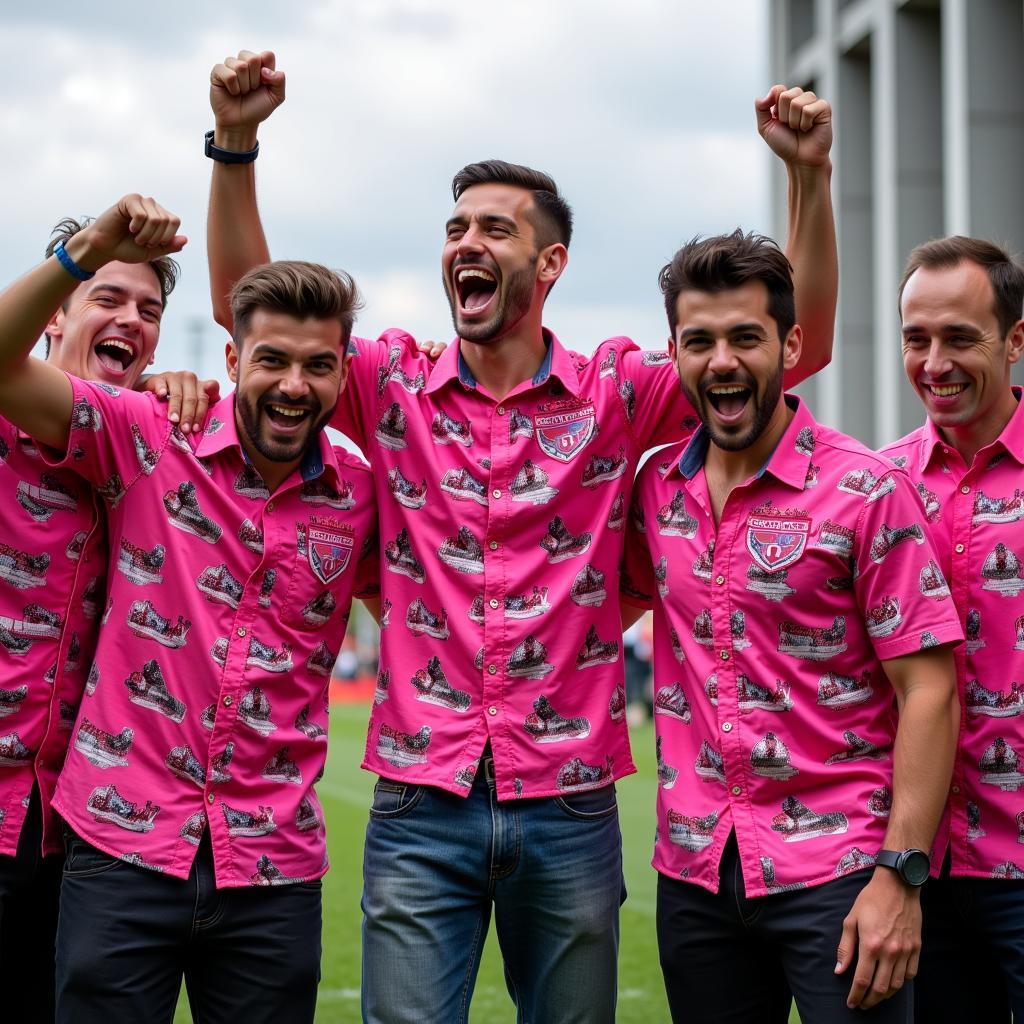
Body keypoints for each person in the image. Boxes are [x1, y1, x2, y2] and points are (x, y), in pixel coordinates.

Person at [205, 49, 838, 1024]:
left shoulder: (616, 391)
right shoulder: (394, 383)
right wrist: (236, 146)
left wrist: (807, 177)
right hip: (422, 799)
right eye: (454, 226)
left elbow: (796, 343)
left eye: (493, 228)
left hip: (573, 801)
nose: (466, 240)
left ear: (548, 264)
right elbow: (253, 313)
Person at [0, 194, 379, 1024]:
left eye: (319, 365)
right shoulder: (147, 436)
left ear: (346, 375)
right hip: (118, 842)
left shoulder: (362, 499)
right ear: (234, 359)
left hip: (271, 862)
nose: (293, 383)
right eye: (271, 359)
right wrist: (87, 248)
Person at [621, 230, 962, 1022]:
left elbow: (929, 690)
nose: (723, 362)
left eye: (746, 337)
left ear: (790, 343)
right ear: (674, 353)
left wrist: (898, 878)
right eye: (699, 341)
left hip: (842, 875)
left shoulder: (866, 490)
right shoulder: (653, 494)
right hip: (697, 874)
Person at [0, 206, 214, 1021]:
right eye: (107, 296)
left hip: (74, 828)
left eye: (150, 310)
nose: (131, 319)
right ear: (55, 312)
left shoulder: (153, 443)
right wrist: (77, 251)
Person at [880, 237, 1024, 1022]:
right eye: (916, 339)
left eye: (961, 338)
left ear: (1016, 341)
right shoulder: (875, 487)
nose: (934, 362)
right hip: (913, 876)